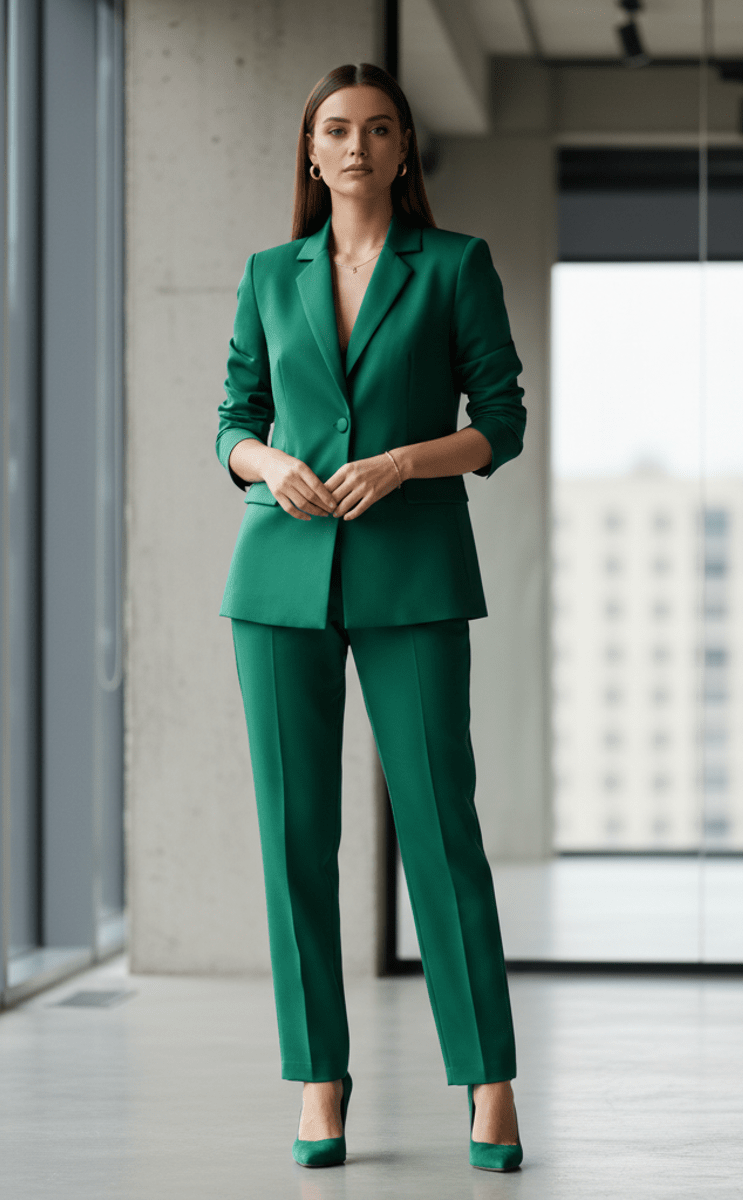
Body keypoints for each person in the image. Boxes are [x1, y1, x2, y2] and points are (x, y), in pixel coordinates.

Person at [215, 62, 526, 1173]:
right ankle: (319, 1078)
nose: (356, 146)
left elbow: (503, 420)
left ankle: (488, 1078)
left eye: (378, 129)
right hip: (279, 576)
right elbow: (233, 417)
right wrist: (266, 462)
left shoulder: (454, 267)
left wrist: (401, 463)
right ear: (311, 151)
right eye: (336, 129)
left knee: (443, 829)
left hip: (415, 573)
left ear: (404, 151)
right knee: (295, 838)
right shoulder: (267, 274)